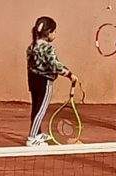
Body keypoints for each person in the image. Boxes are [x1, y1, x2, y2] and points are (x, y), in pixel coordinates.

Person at [26, 16, 78, 147]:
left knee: (36, 108)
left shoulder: (31, 47)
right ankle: (32, 138)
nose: (55, 34)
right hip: (45, 82)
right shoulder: (48, 49)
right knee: (41, 109)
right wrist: (70, 74)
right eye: (54, 31)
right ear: (48, 33)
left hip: (32, 81)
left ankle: (37, 133)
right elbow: (55, 66)